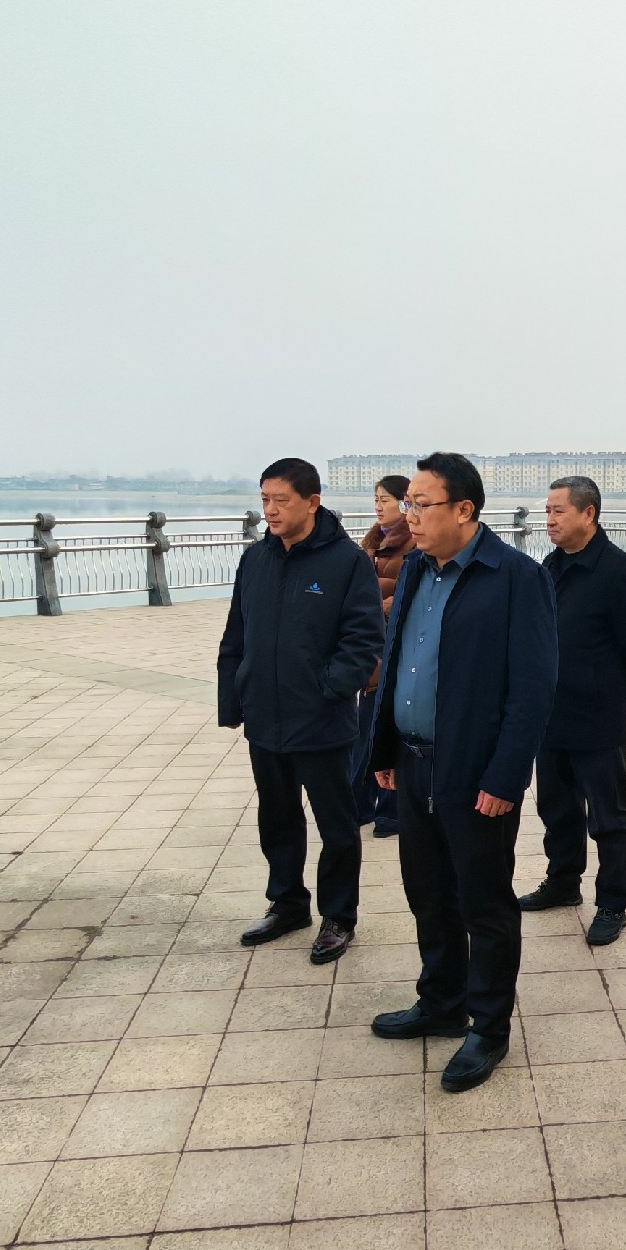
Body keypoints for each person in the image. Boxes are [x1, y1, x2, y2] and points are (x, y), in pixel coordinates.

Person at [367, 451, 557, 1092]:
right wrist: (385, 750)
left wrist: (505, 779)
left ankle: (488, 1027)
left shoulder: (516, 578)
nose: (410, 516)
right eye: (408, 504)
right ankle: (441, 1001)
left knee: (484, 903)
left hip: (476, 774)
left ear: (465, 510)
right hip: (414, 762)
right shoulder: (417, 569)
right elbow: (398, 660)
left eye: (422, 505)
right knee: (427, 893)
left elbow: (533, 690)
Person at [218, 458, 385, 965]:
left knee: (337, 825)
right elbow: (236, 634)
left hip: (323, 720)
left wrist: (328, 689)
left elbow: (364, 639)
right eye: (264, 500)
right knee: (277, 818)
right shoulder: (256, 559)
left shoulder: (347, 561)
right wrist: (234, 697)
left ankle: (339, 916)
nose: (270, 510)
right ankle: (287, 904)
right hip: (265, 718)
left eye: (281, 500)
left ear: (312, 502)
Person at [518, 475, 626, 946]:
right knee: (556, 808)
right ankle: (563, 882)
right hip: (550, 715)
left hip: (598, 718)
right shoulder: (551, 566)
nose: (549, 519)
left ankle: (613, 903)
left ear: (588, 514)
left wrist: (617, 694)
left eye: (558, 510)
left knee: (608, 818)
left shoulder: (617, 572)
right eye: (547, 510)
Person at [351, 475, 413, 838]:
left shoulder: (414, 542)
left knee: (387, 726)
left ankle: (390, 813)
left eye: (385, 499)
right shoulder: (371, 542)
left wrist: (378, 606)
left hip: (396, 643)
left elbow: (409, 593)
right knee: (365, 728)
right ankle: (360, 807)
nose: (378, 506)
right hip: (370, 643)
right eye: (375, 499)